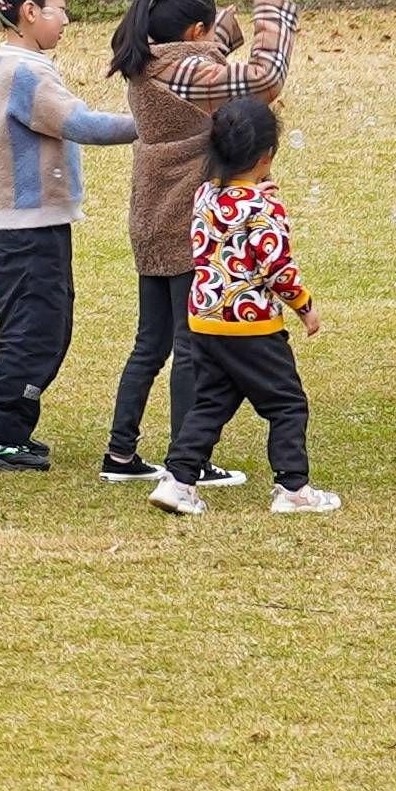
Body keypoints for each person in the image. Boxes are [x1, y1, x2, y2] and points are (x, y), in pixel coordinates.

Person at [106, 0, 295, 482]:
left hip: (150, 218)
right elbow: (262, 81)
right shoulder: (183, 70)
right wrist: (273, 18)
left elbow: (200, 61)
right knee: (190, 346)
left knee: (150, 343)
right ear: (193, 30)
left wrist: (220, 35)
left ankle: (120, 453)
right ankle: (186, 459)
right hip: (185, 224)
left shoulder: (146, 60)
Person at [0, 0, 141, 469]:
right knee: (34, 335)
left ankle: (0, 426)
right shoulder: (24, 73)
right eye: (60, 8)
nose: (67, 19)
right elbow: (80, 123)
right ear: (29, 13)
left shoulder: (29, 66)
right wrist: (149, 125)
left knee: (48, 330)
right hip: (29, 232)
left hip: (43, 226)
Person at [158, 90, 331, 513]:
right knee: (287, 403)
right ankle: (293, 489)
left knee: (211, 402)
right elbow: (277, 266)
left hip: (205, 320)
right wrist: (305, 306)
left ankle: (178, 481)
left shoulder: (203, 196)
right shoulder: (262, 207)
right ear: (266, 155)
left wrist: (260, 196)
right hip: (250, 325)